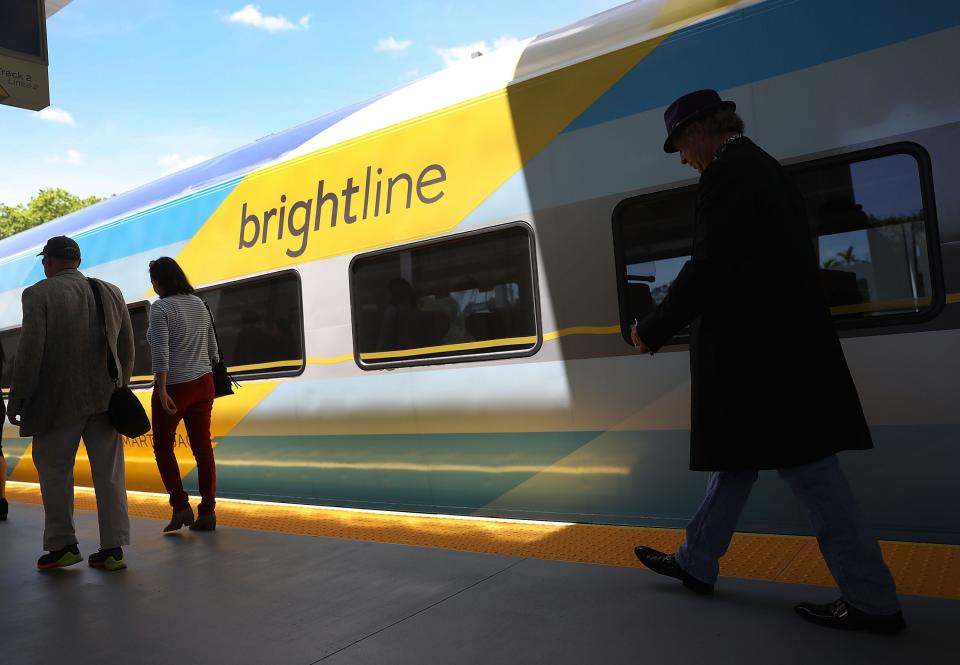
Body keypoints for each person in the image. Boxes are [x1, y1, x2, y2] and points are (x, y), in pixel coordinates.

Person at [629, 90, 905, 634]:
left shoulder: (727, 175)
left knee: (816, 478)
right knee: (735, 464)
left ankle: (872, 600)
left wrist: (654, 327)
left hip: (766, 365)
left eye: (680, 146)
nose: (684, 159)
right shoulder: (766, 169)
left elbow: (709, 266)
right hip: (776, 356)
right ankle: (696, 561)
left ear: (699, 133)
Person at [7, 236, 134, 570]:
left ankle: (63, 546)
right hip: (106, 399)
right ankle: (113, 550)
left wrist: (19, 396)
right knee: (109, 475)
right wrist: (121, 386)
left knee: (55, 472)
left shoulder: (38, 294)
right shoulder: (110, 291)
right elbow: (126, 347)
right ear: (76, 260)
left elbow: (31, 352)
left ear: (49, 261)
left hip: (57, 402)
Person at [147, 257, 219, 532]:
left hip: (176, 387)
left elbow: (161, 351)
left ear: (160, 281)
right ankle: (208, 512)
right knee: (202, 448)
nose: (152, 284)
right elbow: (213, 348)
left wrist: (162, 388)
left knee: (163, 448)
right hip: (205, 383)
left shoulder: (161, 307)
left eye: (153, 279)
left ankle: (180, 508)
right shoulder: (199, 303)